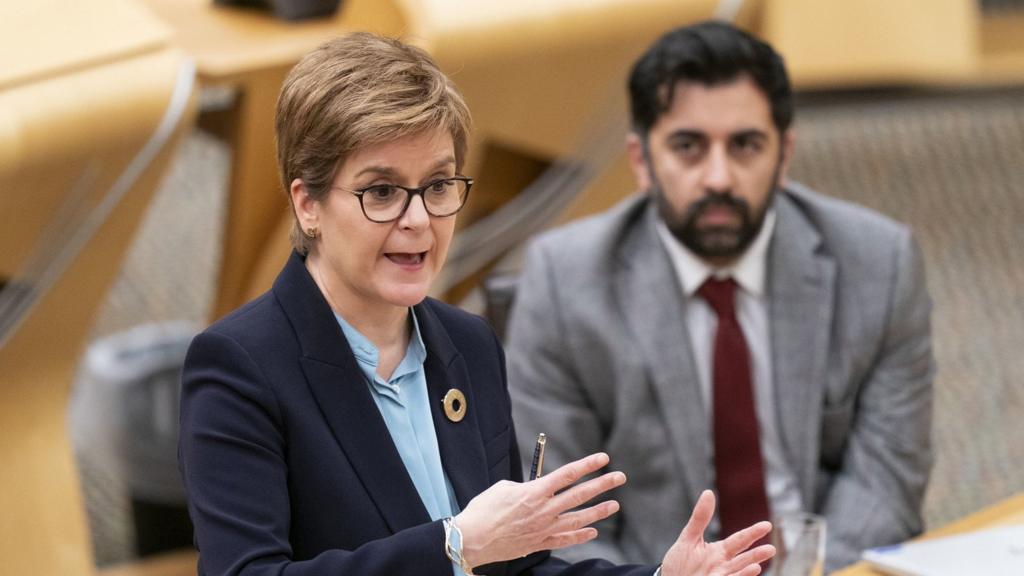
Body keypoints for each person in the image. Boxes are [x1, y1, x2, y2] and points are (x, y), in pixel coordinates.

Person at [178, 32, 775, 576]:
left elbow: (515, 568)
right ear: (307, 204)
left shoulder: (467, 344)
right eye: (382, 192)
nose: (419, 221)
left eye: (438, 186)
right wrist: (455, 544)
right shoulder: (239, 365)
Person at [506, 21, 934, 573]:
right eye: (688, 147)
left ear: (783, 156)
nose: (719, 177)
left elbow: (887, 483)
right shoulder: (565, 284)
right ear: (641, 162)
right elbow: (565, 524)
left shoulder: (880, 265)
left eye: (745, 145)